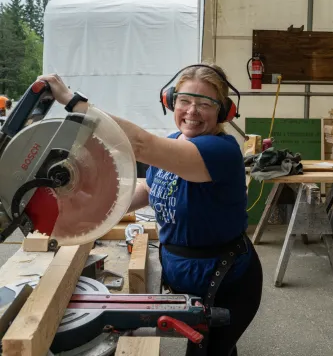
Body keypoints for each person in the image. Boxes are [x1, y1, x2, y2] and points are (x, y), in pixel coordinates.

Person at [36, 63, 263, 356]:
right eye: (185, 100)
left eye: (205, 103)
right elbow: (150, 188)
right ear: (171, 101)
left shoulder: (221, 150)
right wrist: (95, 211)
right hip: (186, 273)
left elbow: (139, 144)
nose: (192, 111)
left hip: (226, 281)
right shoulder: (173, 142)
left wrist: (73, 102)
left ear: (223, 112)